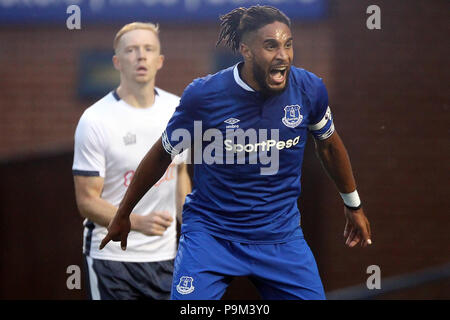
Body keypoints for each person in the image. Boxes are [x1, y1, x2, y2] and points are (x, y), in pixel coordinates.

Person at [100, 6, 372, 300]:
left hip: (280, 237)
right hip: (211, 236)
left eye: (288, 44)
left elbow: (329, 145)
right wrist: (123, 213)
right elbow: (161, 155)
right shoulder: (204, 97)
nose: (283, 55)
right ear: (246, 50)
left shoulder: (309, 90)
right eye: (270, 46)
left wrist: (353, 205)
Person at [72, 22, 191, 300]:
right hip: (111, 260)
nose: (141, 56)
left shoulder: (177, 110)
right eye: (131, 50)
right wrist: (136, 221)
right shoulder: (95, 119)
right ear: (117, 61)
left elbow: (181, 173)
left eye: (148, 49)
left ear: (159, 60)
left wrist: (191, 225)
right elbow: (86, 201)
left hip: (166, 258)